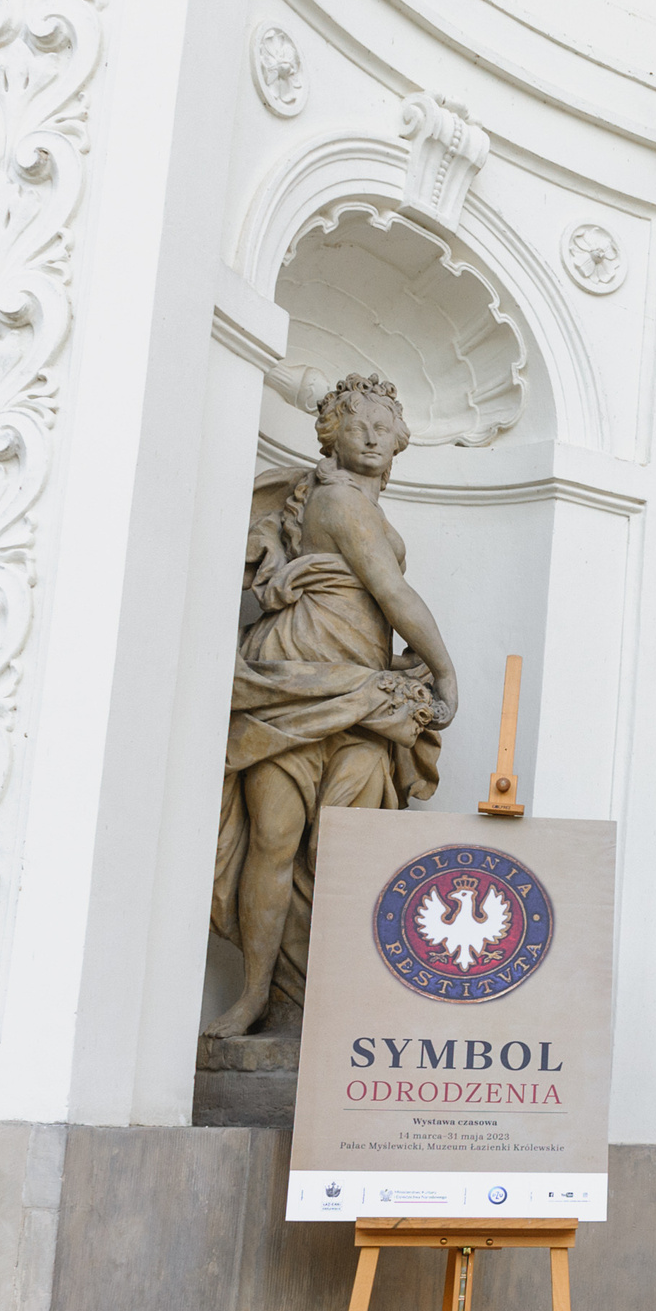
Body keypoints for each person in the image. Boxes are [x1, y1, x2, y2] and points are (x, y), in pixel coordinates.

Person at [207, 374, 461, 1039]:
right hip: (294, 681)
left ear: (401, 439)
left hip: (362, 693)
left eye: (384, 425)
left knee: (346, 853)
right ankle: (256, 996)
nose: (372, 436)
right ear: (331, 434)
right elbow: (391, 591)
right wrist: (444, 670)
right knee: (274, 840)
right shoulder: (339, 502)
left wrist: (402, 663)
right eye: (357, 424)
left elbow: (378, 601)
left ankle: (326, 1002)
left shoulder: (361, 510)